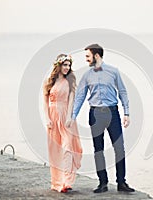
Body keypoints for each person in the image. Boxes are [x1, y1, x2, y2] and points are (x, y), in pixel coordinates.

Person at [71, 44, 135, 193]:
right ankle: (103, 183)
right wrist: (73, 116)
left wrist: (127, 113)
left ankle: (121, 183)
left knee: (119, 148)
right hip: (95, 114)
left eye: (88, 56)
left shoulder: (113, 72)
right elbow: (80, 96)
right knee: (98, 150)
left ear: (97, 56)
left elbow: (123, 92)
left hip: (113, 114)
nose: (86, 59)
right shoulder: (87, 75)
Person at [43, 54, 82, 193]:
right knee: (55, 151)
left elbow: (71, 100)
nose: (67, 68)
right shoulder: (49, 82)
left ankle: (67, 181)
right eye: (65, 65)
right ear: (58, 66)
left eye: (69, 65)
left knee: (67, 148)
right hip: (53, 118)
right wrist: (47, 119)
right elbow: (45, 103)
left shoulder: (70, 81)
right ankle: (57, 182)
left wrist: (69, 117)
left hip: (66, 117)